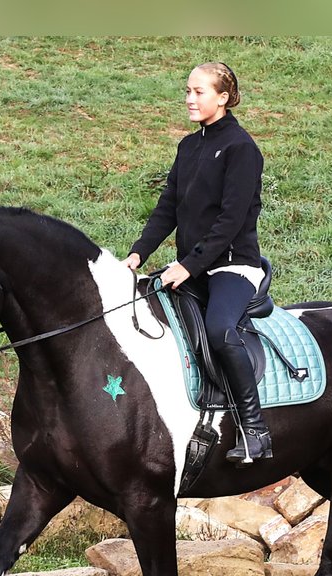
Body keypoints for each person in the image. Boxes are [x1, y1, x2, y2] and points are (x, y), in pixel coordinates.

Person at [124, 61, 271, 466]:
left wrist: (188, 267)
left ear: (223, 97)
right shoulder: (189, 147)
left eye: (199, 92)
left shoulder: (242, 149)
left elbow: (230, 222)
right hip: (191, 264)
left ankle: (255, 430)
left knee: (220, 330)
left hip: (231, 267)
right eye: (187, 90)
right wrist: (138, 254)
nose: (190, 98)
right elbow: (167, 207)